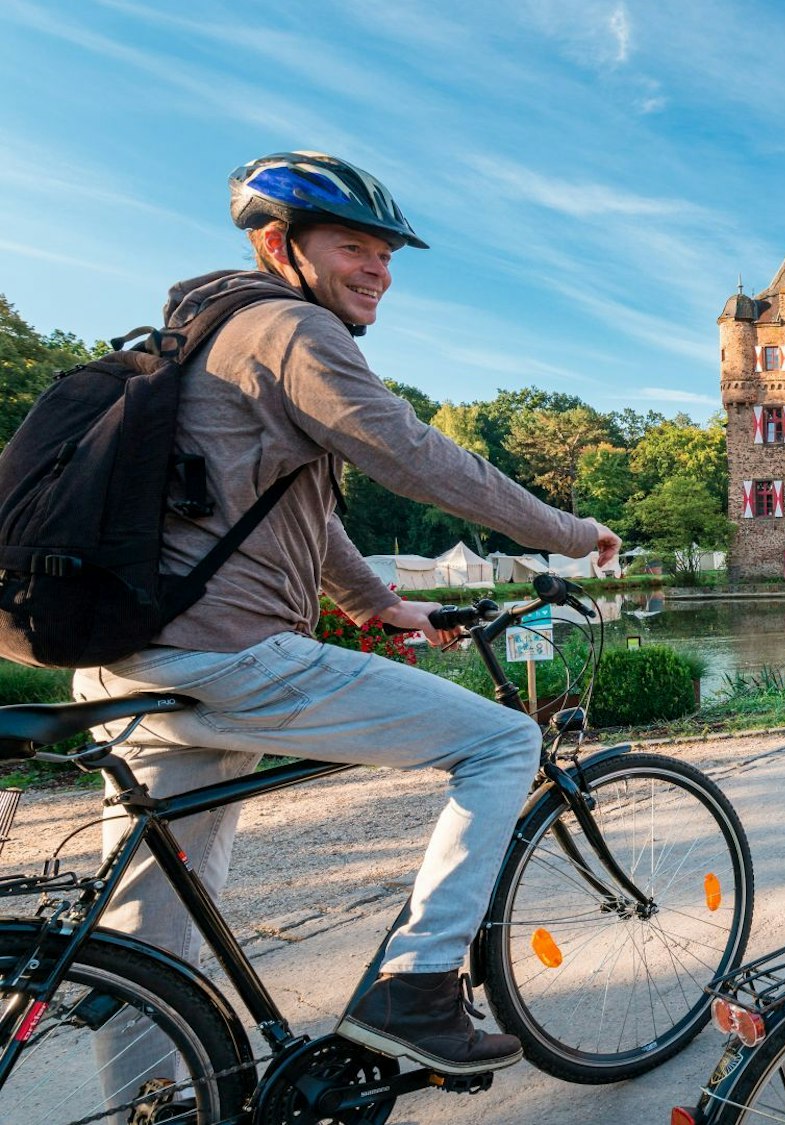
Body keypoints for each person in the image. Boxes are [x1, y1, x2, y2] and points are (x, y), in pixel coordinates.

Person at [73, 151, 620, 1093]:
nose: (378, 269)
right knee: (500, 742)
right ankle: (417, 988)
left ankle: (152, 1109)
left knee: (148, 943)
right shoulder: (289, 327)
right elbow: (412, 454)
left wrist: (376, 602)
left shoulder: (207, 335)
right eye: (353, 246)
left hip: (128, 663)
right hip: (228, 656)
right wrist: (569, 533)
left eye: (385, 252)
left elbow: (298, 513)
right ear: (279, 244)